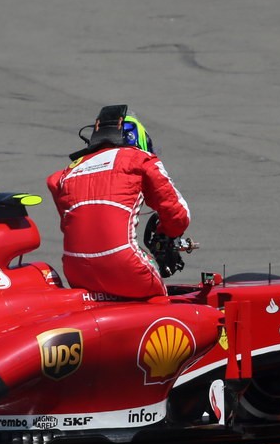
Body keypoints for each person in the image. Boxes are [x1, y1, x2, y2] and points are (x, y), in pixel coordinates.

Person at [46, 105, 191, 299]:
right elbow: (178, 216)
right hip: (125, 265)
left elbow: (76, 225)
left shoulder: (66, 174)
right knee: (161, 301)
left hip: (77, 270)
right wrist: (164, 236)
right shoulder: (141, 159)